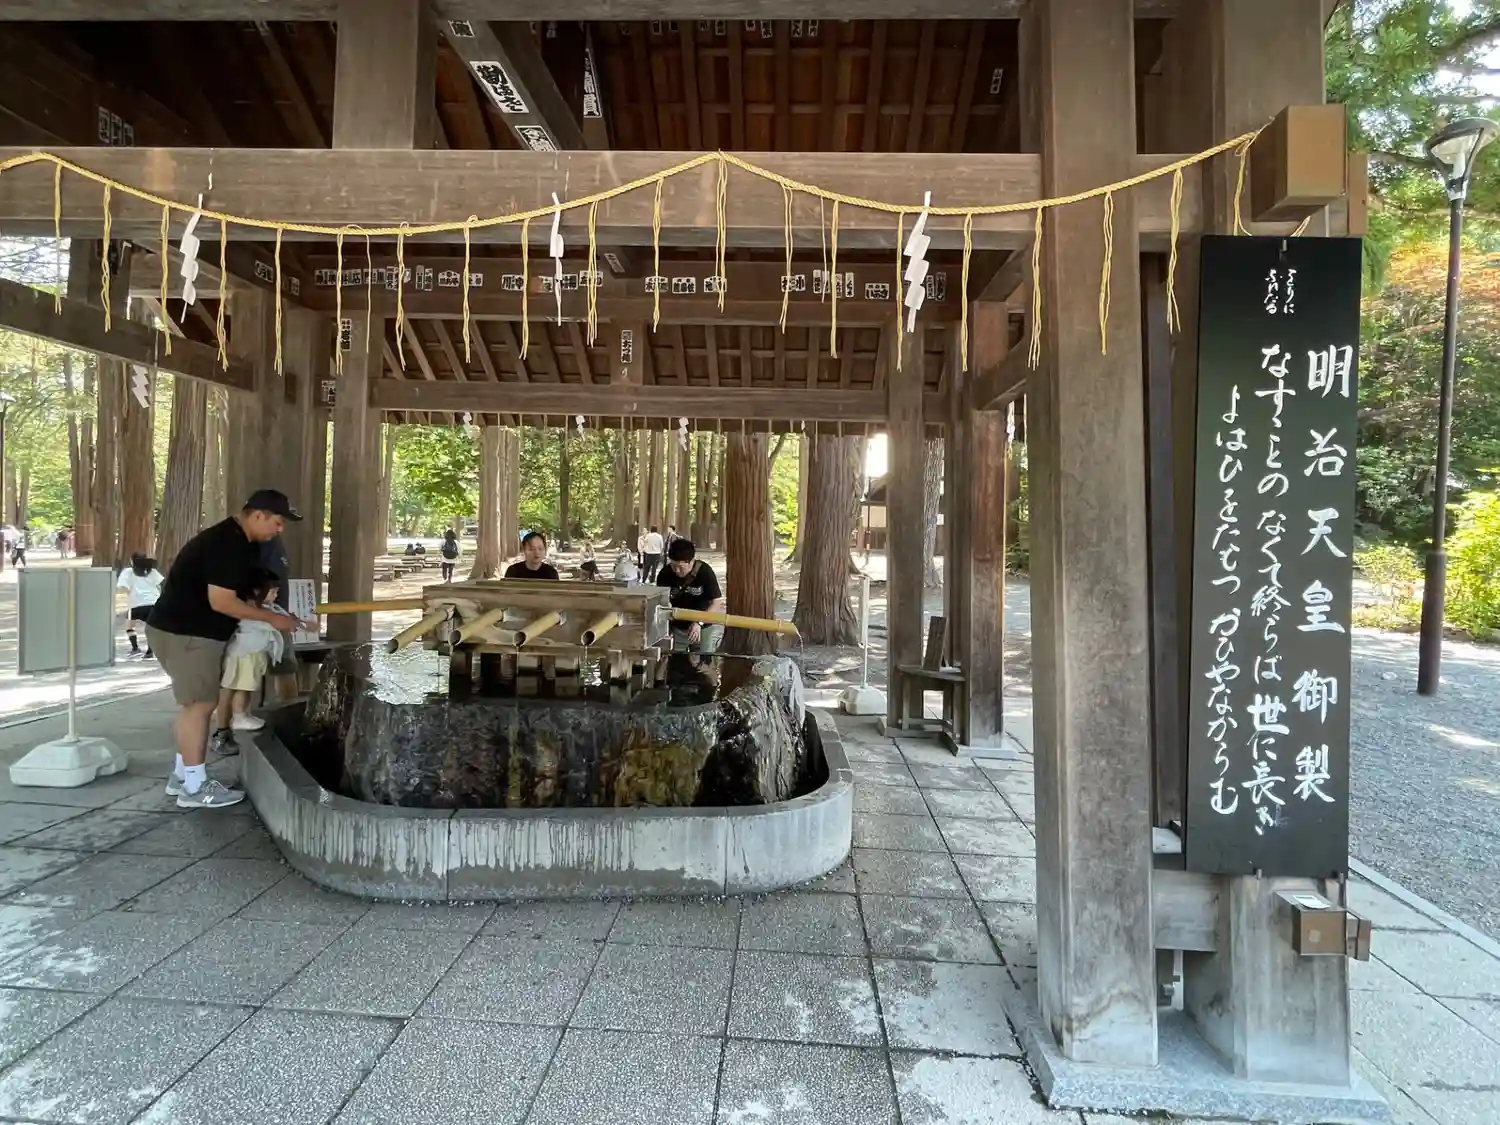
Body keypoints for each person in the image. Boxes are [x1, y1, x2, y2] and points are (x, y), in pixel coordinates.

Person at [146, 489, 305, 809]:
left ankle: (183, 776)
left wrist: (276, 613)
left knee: (194, 706)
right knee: (200, 706)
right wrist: (273, 619)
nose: (279, 530)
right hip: (187, 634)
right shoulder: (226, 544)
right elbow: (222, 602)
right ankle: (195, 788)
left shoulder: (238, 541)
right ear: (257, 515)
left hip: (186, 632)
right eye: (277, 522)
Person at [212, 568, 291, 738]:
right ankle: (239, 716)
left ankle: (242, 714)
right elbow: (274, 622)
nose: (275, 595)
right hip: (245, 654)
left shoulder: (265, 607)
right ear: (256, 591)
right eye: (272, 591)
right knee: (242, 687)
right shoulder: (249, 608)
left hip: (251, 654)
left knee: (246, 687)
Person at [657, 537, 725, 653]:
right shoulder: (665, 574)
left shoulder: (705, 572)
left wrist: (699, 622)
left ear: (692, 561)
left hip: (703, 627)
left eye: (681, 567)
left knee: (703, 659)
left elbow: (717, 601)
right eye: (674, 566)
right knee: (676, 659)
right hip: (677, 628)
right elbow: (660, 601)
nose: (677, 570)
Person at [116, 552, 165, 660]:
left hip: (136, 603)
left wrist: (127, 592)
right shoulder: (152, 571)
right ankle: (150, 650)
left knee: (129, 626)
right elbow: (160, 585)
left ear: (132, 561)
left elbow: (123, 588)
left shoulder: (128, 572)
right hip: (154, 603)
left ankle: (135, 648)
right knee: (151, 627)